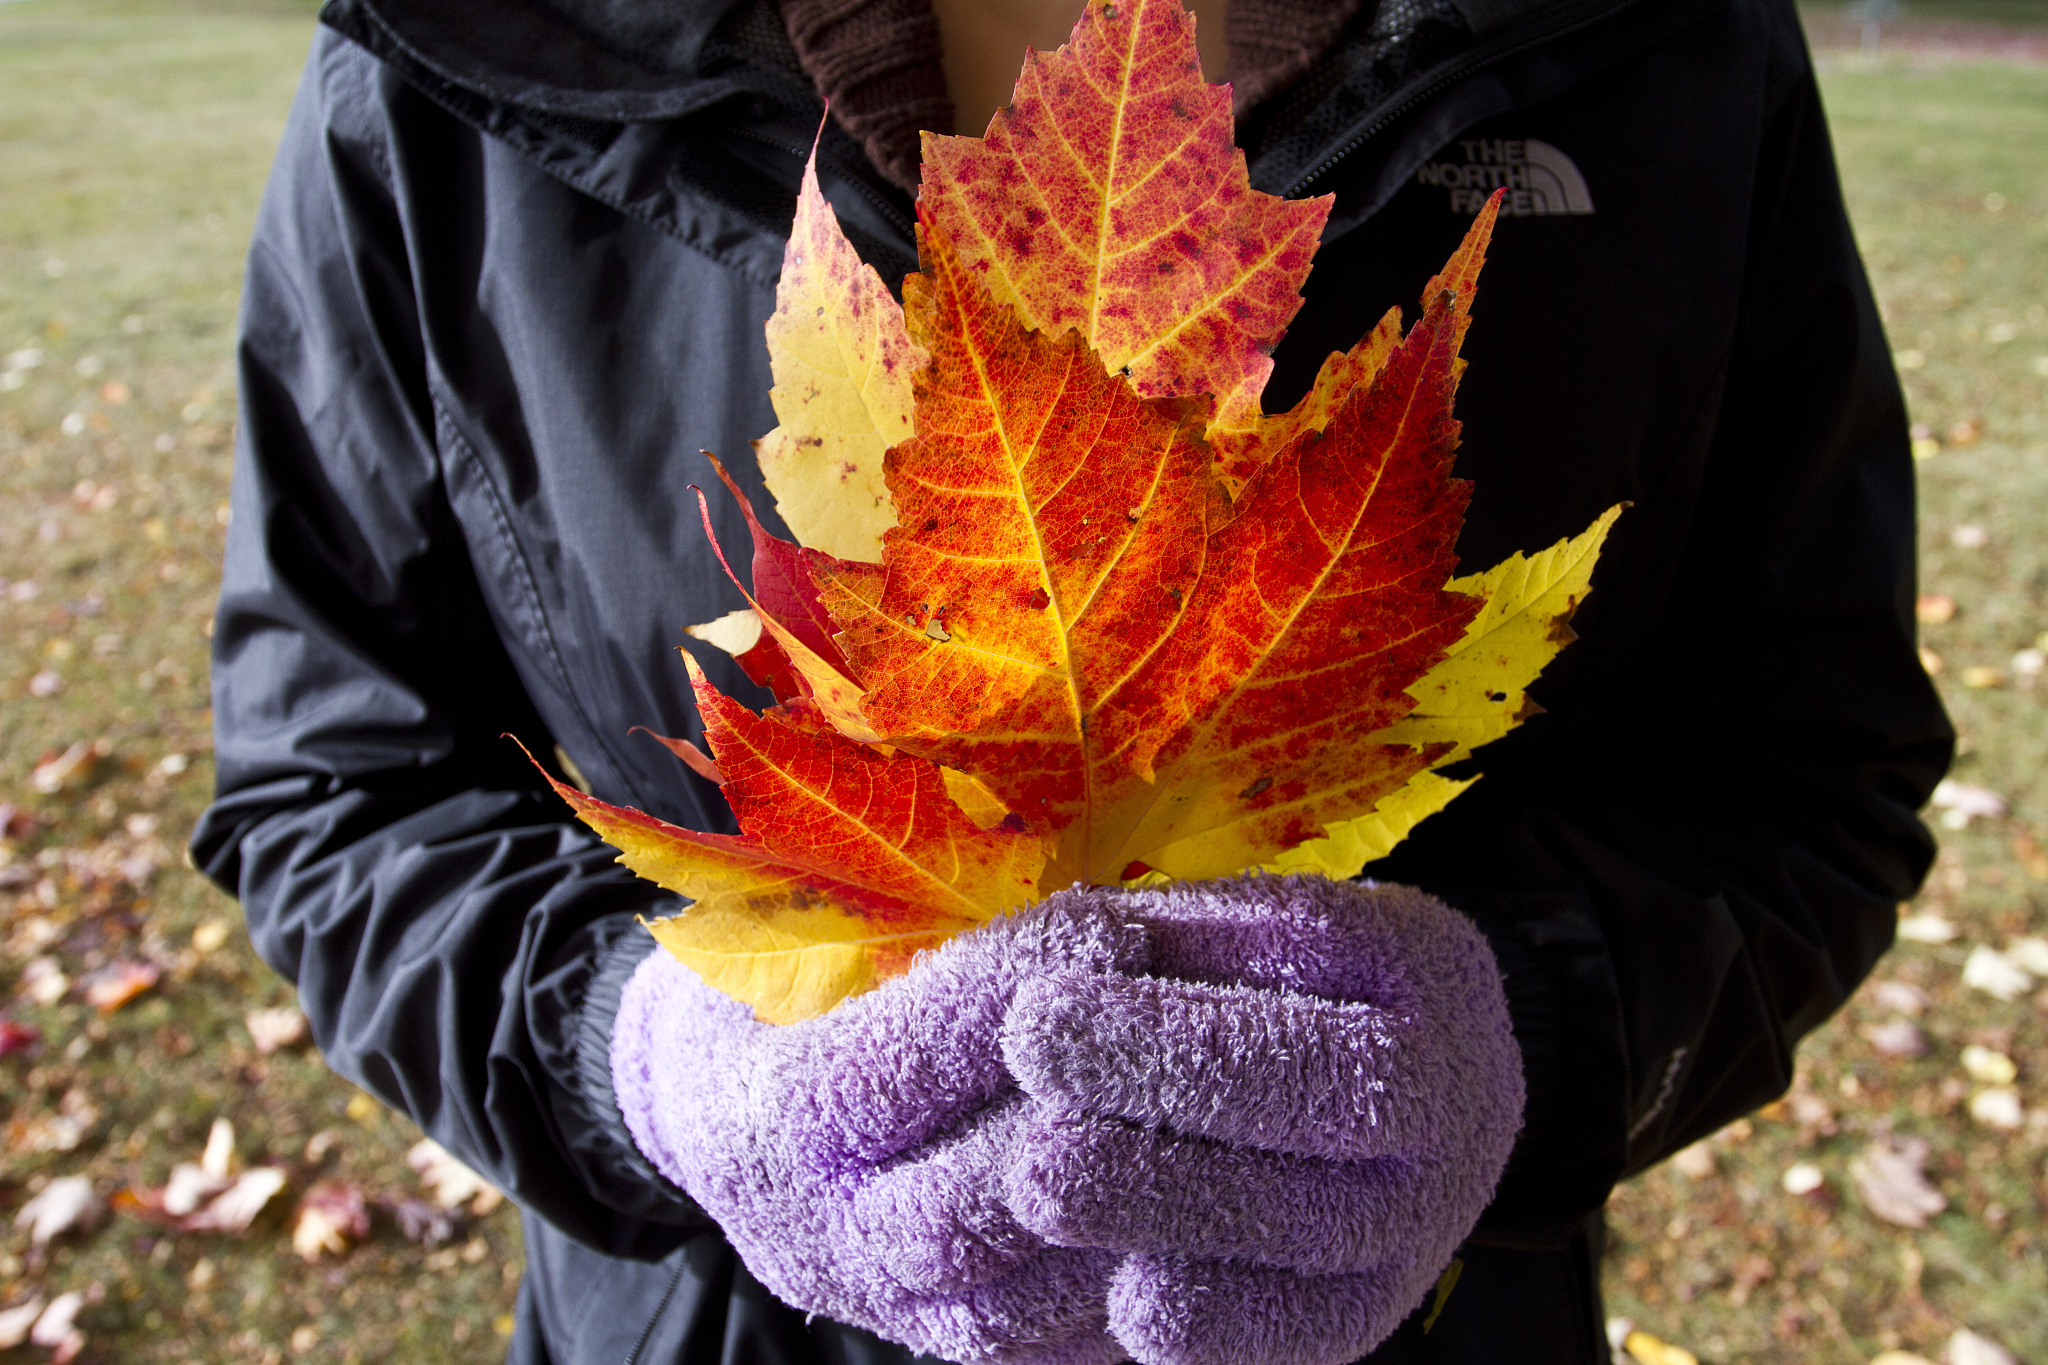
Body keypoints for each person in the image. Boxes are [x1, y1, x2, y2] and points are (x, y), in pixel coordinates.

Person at [192, 0, 1953, 1359]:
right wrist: (634, 1057)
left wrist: (1528, 1035)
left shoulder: (1673, 48)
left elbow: (1814, 773)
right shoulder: (452, 54)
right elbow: (333, 780)